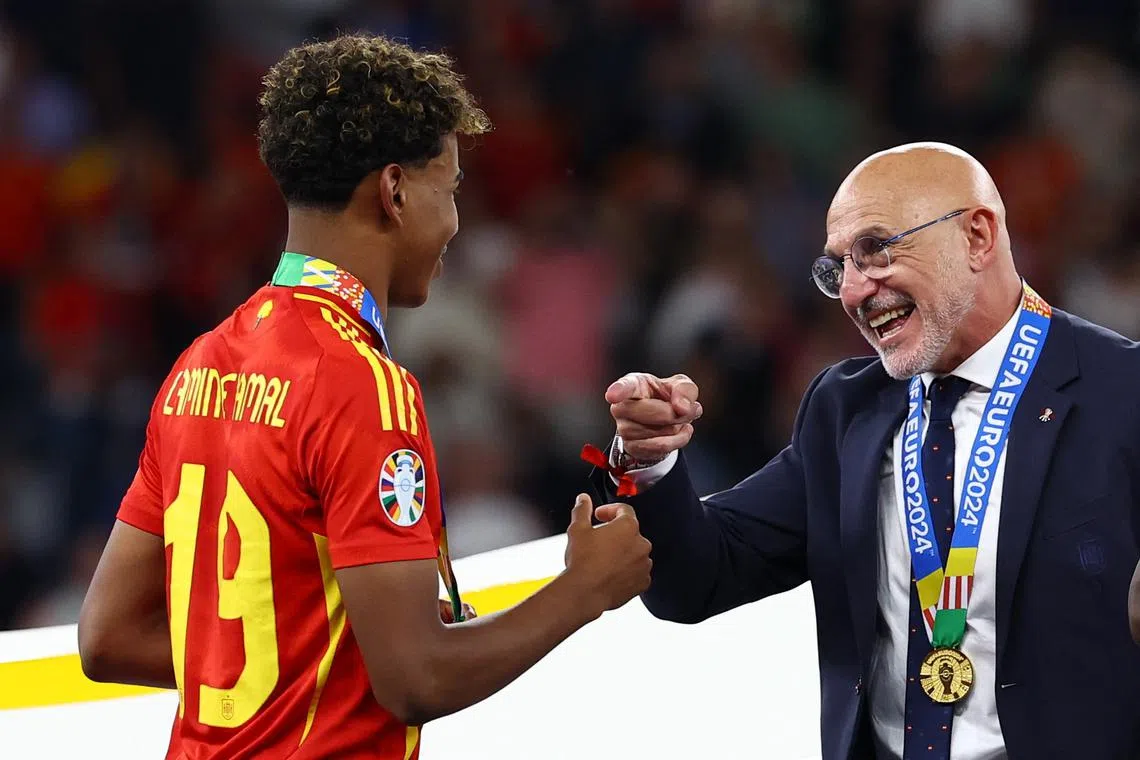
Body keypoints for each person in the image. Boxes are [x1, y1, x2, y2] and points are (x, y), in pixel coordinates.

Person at [77, 34, 651, 760]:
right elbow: (414, 678)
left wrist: (306, 666)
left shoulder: (199, 365)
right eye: (450, 192)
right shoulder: (362, 386)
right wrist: (585, 591)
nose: (454, 224)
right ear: (394, 190)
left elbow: (108, 638)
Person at [592, 143, 1140, 759]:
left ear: (978, 237)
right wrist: (651, 458)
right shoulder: (845, 410)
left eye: (876, 250)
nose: (854, 290)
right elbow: (695, 581)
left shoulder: (1123, 396)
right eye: (837, 268)